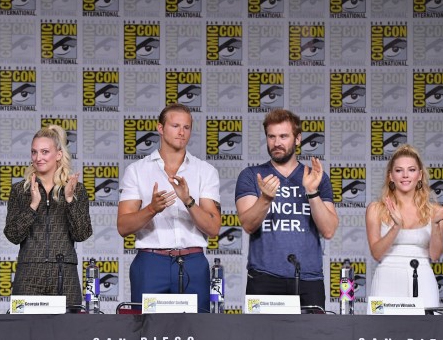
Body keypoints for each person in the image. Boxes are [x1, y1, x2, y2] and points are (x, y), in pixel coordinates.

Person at [117, 103, 221, 313]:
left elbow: (213, 228)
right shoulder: (136, 170)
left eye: (186, 127)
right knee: (147, 329)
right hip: (151, 263)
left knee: (195, 329)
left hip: (193, 262)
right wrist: (152, 209)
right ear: (160, 128)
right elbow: (123, 226)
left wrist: (188, 201)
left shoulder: (205, 171)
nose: (182, 132)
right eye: (175, 126)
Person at [235, 109, 338, 308]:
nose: (277, 143)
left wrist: (312, 192)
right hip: (264, 278)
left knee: (313, 330)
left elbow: (328, 230)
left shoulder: (316, 177)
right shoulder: (252, 175)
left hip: (308, 279)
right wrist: (265, 198)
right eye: (271, 137)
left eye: (283, 136)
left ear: (297, 139)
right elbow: (248, 225)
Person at [4, 125, 92, 309]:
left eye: (45, 152)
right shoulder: (20, 190)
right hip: (28, 275)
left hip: (65, 274)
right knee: (24, 328)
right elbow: (12, 235)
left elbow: (82, 233)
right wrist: (33, 205)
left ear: (58, 154)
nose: (38, 158)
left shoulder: (76, 189)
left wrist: (70, 200)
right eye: (34, 152)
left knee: (68, 328)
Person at [366, 144, 443, 308]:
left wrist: (435, 224)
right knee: (380, 326)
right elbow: (376, 254)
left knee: (426, 325)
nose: (405, 175)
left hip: (423, 279)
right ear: (390, 176)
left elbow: (435, 255)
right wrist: (396, 227)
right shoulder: (375, 209)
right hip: (386, 280)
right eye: (399, 170)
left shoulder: (435, 211)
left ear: (420, 175)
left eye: (411, 170)